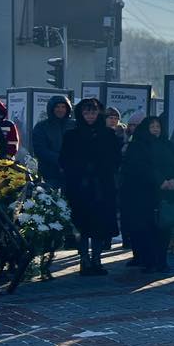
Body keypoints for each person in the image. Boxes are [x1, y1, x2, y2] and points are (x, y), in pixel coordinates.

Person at [60, 97, 123, 276]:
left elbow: (116, 159)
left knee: (100, 225)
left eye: (93, 112)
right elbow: (64, 160)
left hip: (102, 186)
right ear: (81, 114)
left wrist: (103, 169)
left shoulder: (108, 134)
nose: (90, 116)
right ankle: (84, 260)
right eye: (86, 112)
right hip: (79, 186)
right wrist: (80, 171)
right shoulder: (72, 135)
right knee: (82, 225)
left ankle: (96, 259)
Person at [121, 115, 174, 274]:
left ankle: (162, 261)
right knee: (146, 228)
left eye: (158, 127)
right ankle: (148, 261)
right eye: (152, 127)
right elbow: (140, 168)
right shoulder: (137, 146)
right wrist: (159, 181)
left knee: (164, 228)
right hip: (144, 194)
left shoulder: (168, 144)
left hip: (166, 194)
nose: (156, 130)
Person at [32, 94, 74, 186]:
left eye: (63, 107)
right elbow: (40, 150)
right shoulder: (41, 127)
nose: (60, 110)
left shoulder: (74, 125)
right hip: (49, 175)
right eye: (57, 107)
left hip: (72, 174)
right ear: (51, 108)